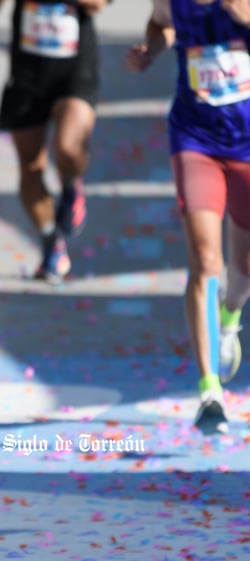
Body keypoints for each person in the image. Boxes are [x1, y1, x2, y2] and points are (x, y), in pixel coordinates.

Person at [127, 0, 250, 435]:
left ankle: (231, 316)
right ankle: (209, 392)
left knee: (245, 267)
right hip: (195, 139)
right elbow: (160, 23)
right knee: (205, 261)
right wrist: (151, 49)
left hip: (248, 143)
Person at [0, 0, 112, 282]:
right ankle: (51, 240)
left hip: (75, 69)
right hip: (28, 74)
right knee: (30, 167)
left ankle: (72, 185)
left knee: (68, 147)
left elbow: (97, 4)